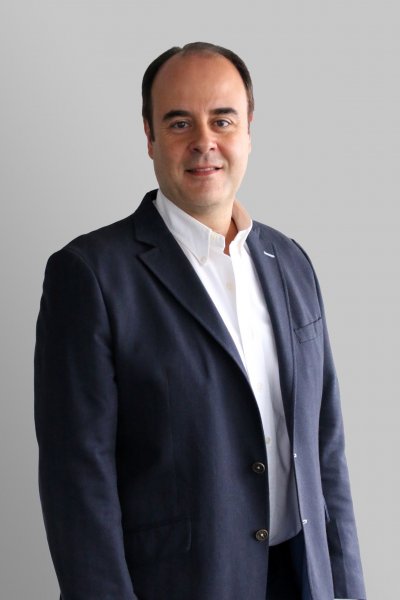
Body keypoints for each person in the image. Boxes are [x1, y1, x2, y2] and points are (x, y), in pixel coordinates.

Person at [34, 42, 366, 600]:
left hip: (304, 578)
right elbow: (77, 481)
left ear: (249, 129)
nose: (204, 141)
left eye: (222, 120)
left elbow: (325, 451)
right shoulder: (90, 275)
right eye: (179, 122)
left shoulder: (291, 262)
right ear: (150, 136)